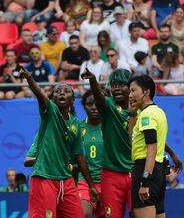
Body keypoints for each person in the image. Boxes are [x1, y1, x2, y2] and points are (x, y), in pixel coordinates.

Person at [81, 68, 182, 218]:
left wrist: (172, 153)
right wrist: (93, 80)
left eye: (121, 84)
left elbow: (150, 139)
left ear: (131, 88)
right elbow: (98, 96)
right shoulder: (108, 107)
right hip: (112, 174)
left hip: (135, 172)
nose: (116, 88)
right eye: (113, 85)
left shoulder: (143, 111)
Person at [21, 66, 99, 218]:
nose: (62, 93)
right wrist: (29, 78)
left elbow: (80, 156)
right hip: (44, 178)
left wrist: (91, 186)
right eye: (57, 91)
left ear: (72, 99)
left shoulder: (76, 124)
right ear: (52, 99)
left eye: (66, 91)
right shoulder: (49, 112)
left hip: (66, 179)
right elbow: (40, 94)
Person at [128, 75, 167, 218]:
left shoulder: (146, 116)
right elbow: (132, 139)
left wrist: (144, 181)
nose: (130, 95)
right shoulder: (158, 111)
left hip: (145, 169)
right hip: (158, 171)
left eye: (133, 90)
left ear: (146, 92)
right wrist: (132, 113)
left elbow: (151, 148)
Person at [78, 90, 104, 218]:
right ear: (84, 106)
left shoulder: (111, 126)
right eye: (89, 104)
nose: (94, 107)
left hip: (107, 180)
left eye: (97, 103)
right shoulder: (77, 128)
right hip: (84, 181)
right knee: (84, 214)